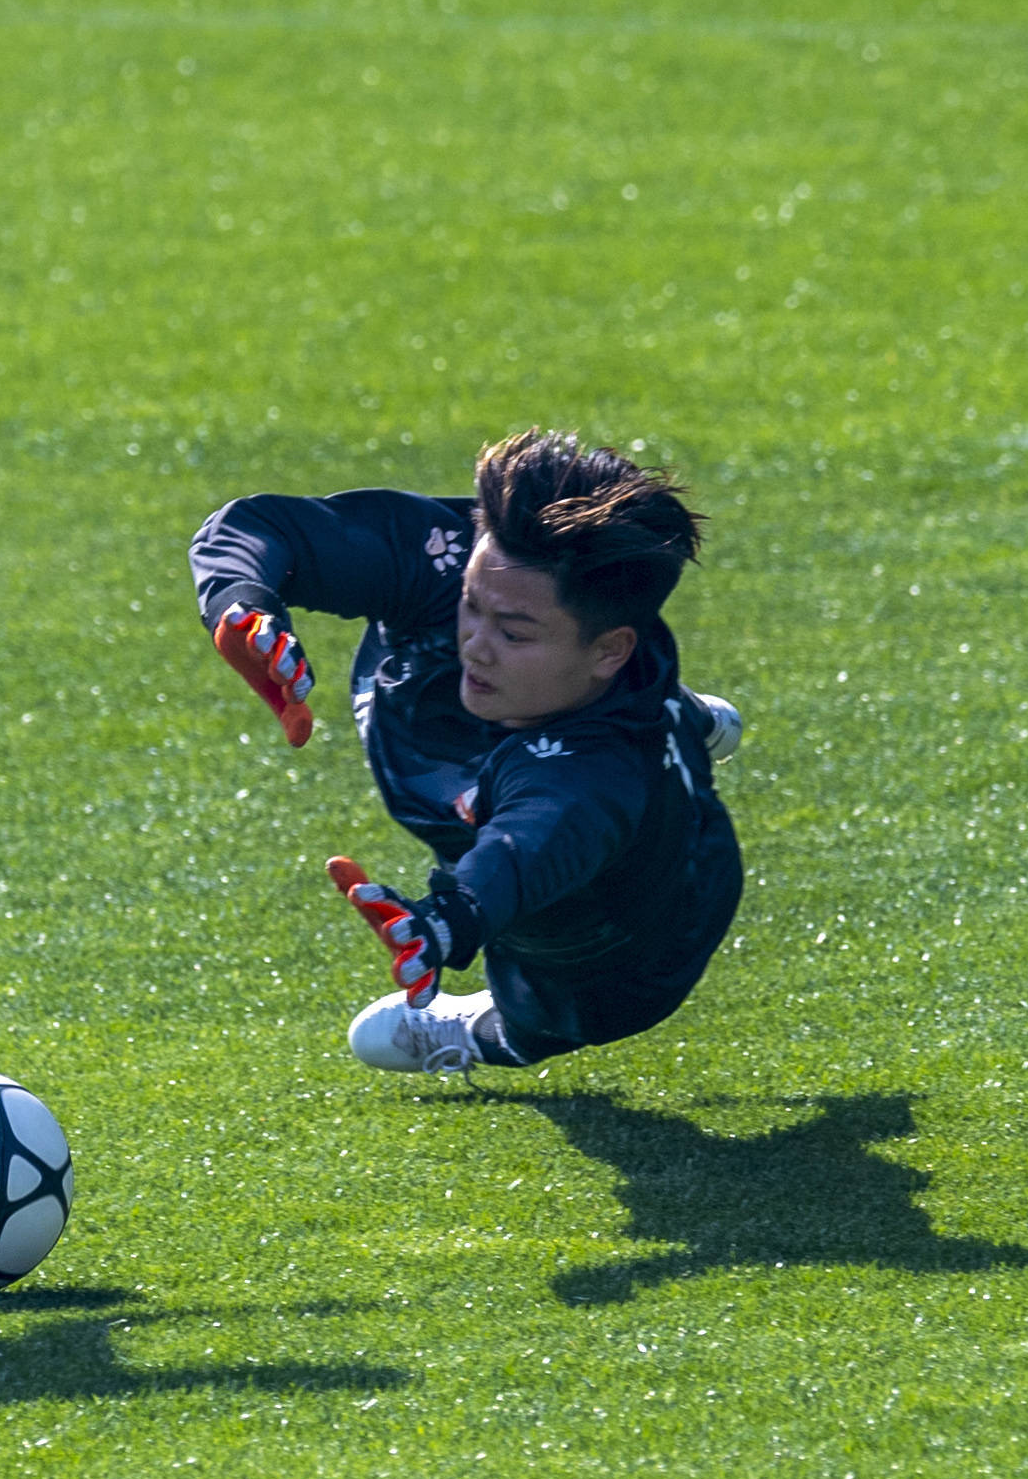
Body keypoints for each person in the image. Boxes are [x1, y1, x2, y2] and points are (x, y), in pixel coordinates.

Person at [188, 430, 743, 1076]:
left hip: (633, 926)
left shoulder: (590, 775)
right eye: (471, 607)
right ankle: (681, 715)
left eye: (512, 632)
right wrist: (240, 605)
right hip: (584, 725)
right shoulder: (460, 560)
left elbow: (527, 845)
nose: (474, 644)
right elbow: (261, 528)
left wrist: (444, 923)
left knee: (556, 1017)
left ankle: (474, 1031)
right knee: (620, 716)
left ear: (607, 649)